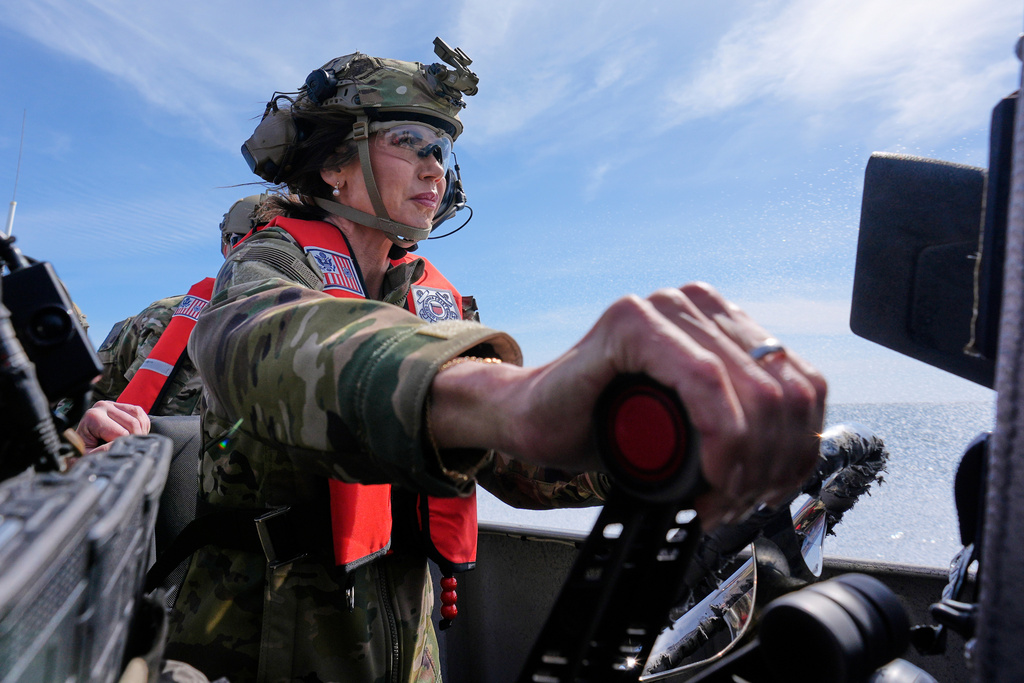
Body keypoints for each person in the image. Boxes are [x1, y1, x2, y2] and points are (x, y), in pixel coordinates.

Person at [162, 42, 826, 683]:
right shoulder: (270, 263)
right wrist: (506, 396)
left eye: (443, 151)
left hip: (405, 641)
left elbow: (513, 462)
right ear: (335, 163)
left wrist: (650, 444)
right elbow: (259, 347)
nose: (434, 169)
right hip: (259, 635)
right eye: (409, 144)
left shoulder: (433, 299)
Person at [76, 195, 265, 451]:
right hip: (141, 473)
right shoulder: (159, 318)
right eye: (243, 241)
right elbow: (83, 405)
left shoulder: (313, 333)